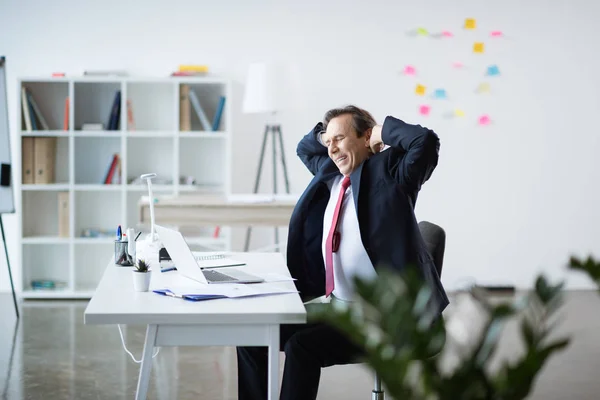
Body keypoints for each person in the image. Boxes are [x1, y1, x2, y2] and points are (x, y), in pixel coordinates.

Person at [236, 105, 449, 400]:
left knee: (302, 346)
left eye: (340, 139)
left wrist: (379, 132)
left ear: (365, 138)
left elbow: (424, 141)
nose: (332, 148)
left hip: (388, 318)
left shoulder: (393, 176)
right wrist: (329, 134)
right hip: (340, 307)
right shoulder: (332, 174)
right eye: (328, 141)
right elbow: (304, 148)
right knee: (252, 333)